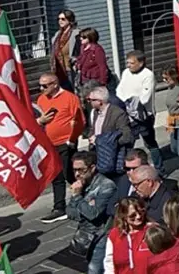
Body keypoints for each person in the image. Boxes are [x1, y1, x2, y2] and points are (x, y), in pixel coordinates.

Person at [36, 72, 86, 224]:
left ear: (55, 84)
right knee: (58, 175)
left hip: (65, 143)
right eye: (40, 86)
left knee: (67, 173)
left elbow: (80, 120)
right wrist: (40, 120)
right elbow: (34, 120)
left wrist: (72, 139)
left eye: (44, 86)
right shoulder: (41, 99)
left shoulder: (70, 98)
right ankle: (60, 207)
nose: (41, 89)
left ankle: (80, 199)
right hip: (49, 144)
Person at [68, 151, 118, 274]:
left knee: (94, 269)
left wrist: (77, 197)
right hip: (86, 235)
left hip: (101, 235)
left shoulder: (106, 186)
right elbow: (69, 211)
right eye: (75, 170)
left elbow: (93, 214)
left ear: (92, 168)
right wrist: (84, 207)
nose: (77, 174)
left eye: (81, 170)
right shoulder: (81, 185)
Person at [116, 51, 160, 172]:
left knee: (150, 142)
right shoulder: (126, 73)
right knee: (129, 142)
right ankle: (130, 168)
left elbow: (145, 98)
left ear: (140, 63)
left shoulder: (148, 75)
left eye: (131, 63)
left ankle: (159, 169)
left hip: (144, 115)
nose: (128, 65)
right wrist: (125, 101)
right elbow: (120, 90)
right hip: (128, 114)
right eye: (127, 63)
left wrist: (132, 100)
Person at [88, 86, 134, 180]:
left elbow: (127, 137)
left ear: (100, 101)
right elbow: (94, 129)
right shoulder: (95, 112)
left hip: (113, 158)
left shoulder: (117, 113)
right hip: (99, 157)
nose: (89, 102)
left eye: (91, 100)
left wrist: (101, 140)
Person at [103, 197, 150, 274]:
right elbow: (109, 263)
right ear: (124, 216)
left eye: (141, 212)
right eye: (132, 215)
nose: (138, 216)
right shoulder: (115, 235)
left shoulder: (152, 231)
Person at [75, 27, 109, 93]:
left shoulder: (97, 49)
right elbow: (81, 59)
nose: (81, 38)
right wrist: (77, 64)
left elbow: (102, 67)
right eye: (80, 37)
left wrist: (103, 82)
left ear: (91, 38)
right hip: (84, 78)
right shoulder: (82, 47)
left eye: (84, 37)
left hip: (95, 80)